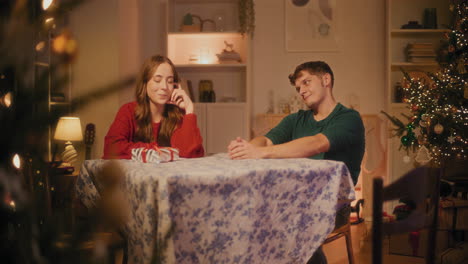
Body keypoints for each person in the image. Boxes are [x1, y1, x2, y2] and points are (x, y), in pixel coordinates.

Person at [227, 61, 365, 264]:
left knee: (284, 223)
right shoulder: (296, 119)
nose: (302, 91)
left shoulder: (349, 118)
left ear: (326, 79)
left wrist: (261, 153)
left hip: (334, 205)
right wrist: (247, 149)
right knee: (250, 213)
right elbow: (265, 140)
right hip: (294, 198)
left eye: (307, 82)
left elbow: (317, 143)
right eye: (299, 87)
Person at [103, 55, 204, 159]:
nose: (164, 87)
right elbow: (111, 148)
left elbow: (192, 154)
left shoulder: (178, 114)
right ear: (145, 83)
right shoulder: (128, 111)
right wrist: (155, 151)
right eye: (157, 80)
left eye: (169, 81)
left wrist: (189, 110)